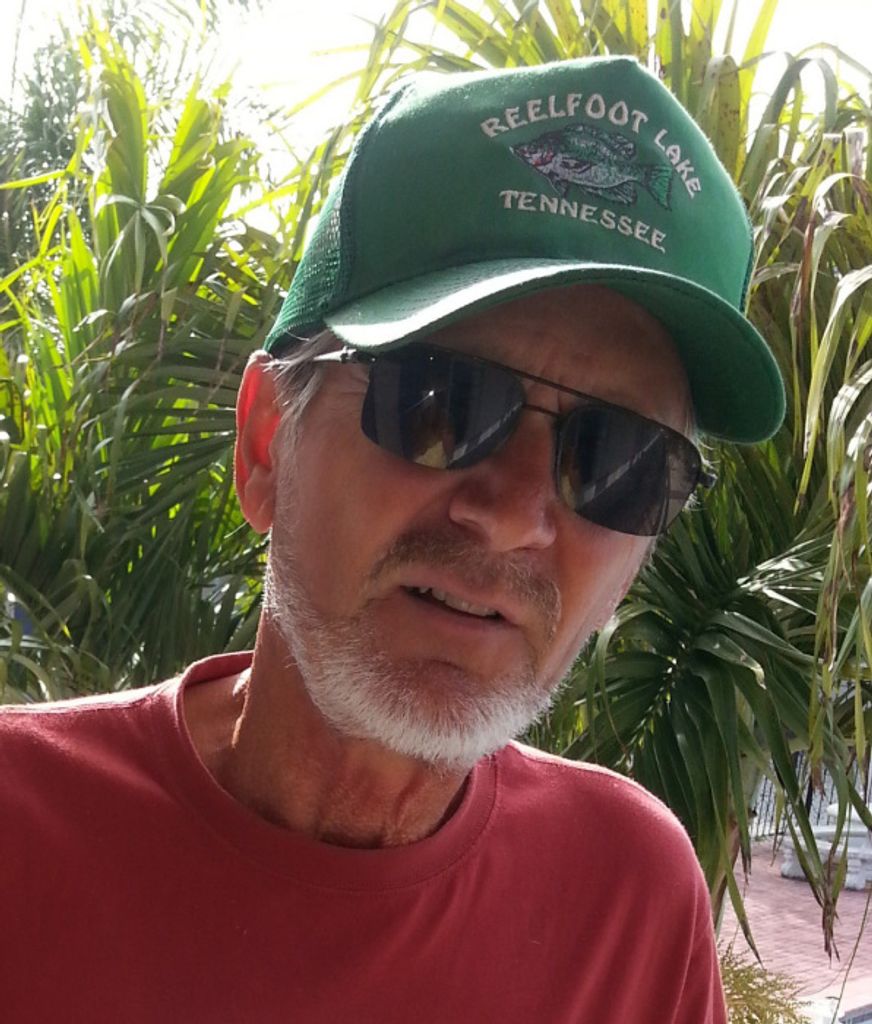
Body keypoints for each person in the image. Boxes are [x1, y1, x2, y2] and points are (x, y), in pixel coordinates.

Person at [1, 56, 784, 1022]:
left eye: (620, 461)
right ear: (266, 445)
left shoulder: (628, 903)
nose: (515, 513)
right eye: (440, 401)